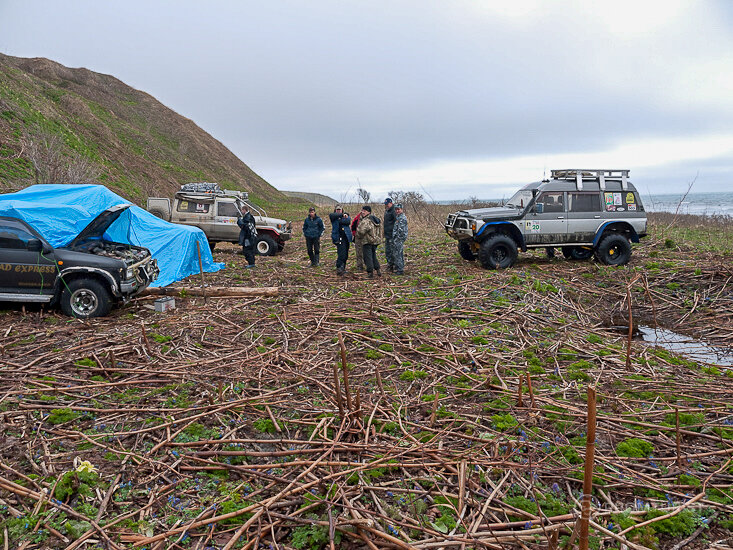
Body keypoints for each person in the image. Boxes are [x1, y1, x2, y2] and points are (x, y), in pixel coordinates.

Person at [355, 205, 382, 278]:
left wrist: (358, 236)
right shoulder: (375, 219)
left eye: (364, 211)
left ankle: (370, 273)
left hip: (367, 241)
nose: (362, 212)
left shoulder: (366, 220)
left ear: (369, 212)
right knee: (373, 256)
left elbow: (360, 231)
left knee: (368, 258)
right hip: (375, 241)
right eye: (362, 210)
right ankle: (378, 269)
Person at [328, 205, 352, 276]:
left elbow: (347, 221)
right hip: (338, 238)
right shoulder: (333, 217)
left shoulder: (346, 216)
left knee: (346, 254)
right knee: (341, 253)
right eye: (337, 210)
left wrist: (341, 218)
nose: (338, 211)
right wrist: (341, 216)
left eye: (340, 210)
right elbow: (331, 216)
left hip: (346, 238)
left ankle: (343, 268)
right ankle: (339, 267)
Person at [391, 203, 408, 275]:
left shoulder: (402, 218)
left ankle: (400, 270)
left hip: (399, 239)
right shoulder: (398, 217)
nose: (397, 211)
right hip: (397, 239)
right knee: (398, 253)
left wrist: (398, 239)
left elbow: (401, 231)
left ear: (401, 209)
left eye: (398, 209)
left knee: (398, 254)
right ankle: (399, 267)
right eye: (396, 209)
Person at [383, 197, 396, 271]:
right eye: (385, 204)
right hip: (387, 234)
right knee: (387, 251)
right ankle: (389, 265)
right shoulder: (387, 211)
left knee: (392, 251)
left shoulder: (393, 211)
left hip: (392, 235)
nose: (386, 205)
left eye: (387, 204)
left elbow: (396, 222)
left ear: (391, 203)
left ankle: (394, 265)